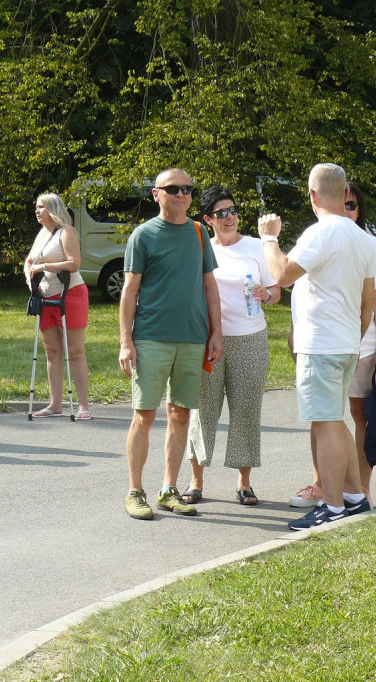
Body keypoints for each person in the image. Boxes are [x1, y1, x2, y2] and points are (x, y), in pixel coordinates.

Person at [259, 162, 376, 529]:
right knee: (333, 420)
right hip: (345, 344)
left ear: (312, 195)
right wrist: (355, 338)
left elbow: (282, 275)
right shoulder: (365, 239)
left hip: (322, 345)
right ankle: (355, 498)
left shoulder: (320, 232)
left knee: (324, 423)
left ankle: (333, 506)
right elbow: (367, 301)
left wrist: (269, 238)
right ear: (345, 194)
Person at [120, 168, 223, 520]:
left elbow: (210, 287)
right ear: (156, 194)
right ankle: (135, 491)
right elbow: (130, 291)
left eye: (188, 190)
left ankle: (168, 489)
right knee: (144, 414)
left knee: (180, 414)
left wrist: (216, 333)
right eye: (173, 189)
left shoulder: (198, 233)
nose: (182, 194)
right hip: (150, 337)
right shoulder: (143, 235)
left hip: (193, 338)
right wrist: (125, 341)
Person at [289, 181, 376, 509]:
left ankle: (357, 488)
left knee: (350, 414)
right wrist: (296, 329)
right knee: (325, 417)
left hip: (351, 344)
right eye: (342, 203)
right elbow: (305, 290)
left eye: (352, 205)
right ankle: (325, 485)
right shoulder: (320, 236)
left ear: (359, 209)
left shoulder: (368, 244)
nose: (346, 210)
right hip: (335, 341)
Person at [183, 186, 280, 506]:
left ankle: (244, 483)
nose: (230, 218)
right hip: (209, 340)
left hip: (251, 338)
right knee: (202, 410)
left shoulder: (254, 246)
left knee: (246, 411)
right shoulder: (200, 249)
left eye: (234, 211)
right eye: (221, 213)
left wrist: (267, 295)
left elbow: (275, 288)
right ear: (208, 219)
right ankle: (196, 481)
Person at [23, 193, 92, 420]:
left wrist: (45, 265)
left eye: (41, 206)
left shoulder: (66, 232)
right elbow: (30, 261)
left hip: (70, 294)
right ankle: (55, 404)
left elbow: (74, 263)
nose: (37, 210)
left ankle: (83, 406)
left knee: (75, 350)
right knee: (51, 351)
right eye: (36, 206)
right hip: (45, 297)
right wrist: (28, 274)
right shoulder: (42, 234)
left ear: (52, 209)